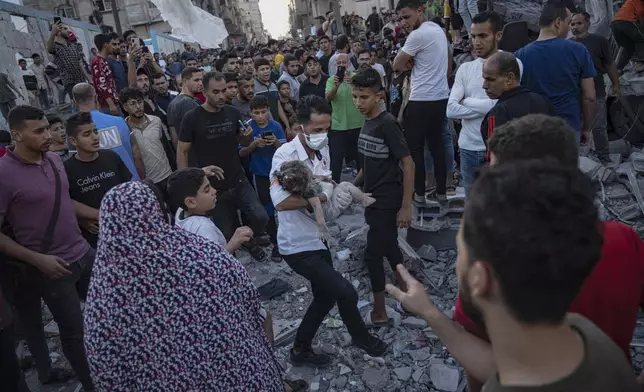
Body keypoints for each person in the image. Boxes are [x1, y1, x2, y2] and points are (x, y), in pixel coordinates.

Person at [388, 157, 640, 392]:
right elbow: (501, 367)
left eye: (461, 247)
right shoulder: (585, 337)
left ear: (479, 277)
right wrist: (430, 312)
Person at [83, 181, 285, 391]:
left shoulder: (104, 303)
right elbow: (257, 313)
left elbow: (106, 375)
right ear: (161, 213)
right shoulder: (207, 256)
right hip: (248, 378)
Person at [270, 95, 387, 365]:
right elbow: (281, 202)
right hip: (297, 245)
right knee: (346, 292)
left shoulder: (323, 149)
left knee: (324, 298)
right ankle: (362, 339)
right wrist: (324, 198)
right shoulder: (284, 156)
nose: (323, 135)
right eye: (316, 130)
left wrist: (337, 199)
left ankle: (300, 350)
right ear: (300, 127)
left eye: (326, 129)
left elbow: (327, 182)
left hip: (318, 239)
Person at [0, 106, 95, 391]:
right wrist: (37, 260)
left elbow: (64, 202)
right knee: (74, 333)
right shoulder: (3, 175)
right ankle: (93, 383)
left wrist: (102, 214)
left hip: (84, 254)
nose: (48, 135)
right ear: (16, 134)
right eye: (38, 131)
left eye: (47, 128)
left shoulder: (54, 160)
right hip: (52, 268)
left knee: (105, 315)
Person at [178, 72, 268, 261]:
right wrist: (186, 181)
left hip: (238, 178)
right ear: (204, 91)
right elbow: (183, 150)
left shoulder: (232, 112)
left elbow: (243, 140)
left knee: (261, 217)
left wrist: (248, 136)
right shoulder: (192, 117)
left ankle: (247, 239)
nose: (221, 96)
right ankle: (238, 252)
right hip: (213, 188)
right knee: (225, 232)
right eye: (216, 92)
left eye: (224, 90)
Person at [351, 68, 414, 326]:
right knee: (388, 244)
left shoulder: (387, 123)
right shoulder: (367, 121)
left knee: (373, 255)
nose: (358, 102)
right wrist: (347, 186)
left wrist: (406, 206)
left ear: (378, 95)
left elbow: (408, 163)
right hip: (371, 197)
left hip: (386, 200)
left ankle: (379, 311)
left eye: (363, 97)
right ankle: (407, 288)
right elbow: (368, 163)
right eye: (354, 96)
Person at [447, 11, 516, 196]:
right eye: (473, 36)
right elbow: (451, 110)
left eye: (483, 36)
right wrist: (491, 106)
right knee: (473, 207)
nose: (476, 42)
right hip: (468, 148)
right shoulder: (465, 68)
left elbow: (508, 107)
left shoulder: (512, 63)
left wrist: (467, 101)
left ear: (498, 36)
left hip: (500, 149)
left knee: (501, 206)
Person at [515, 2, 596, 144]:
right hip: (568, 128)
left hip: (533, 130)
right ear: (558, 22)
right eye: (568, 22)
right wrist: (586, 128)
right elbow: (589, 97)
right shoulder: (578, 50)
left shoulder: (520, 55)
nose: (570, 29)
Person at [394, 0, 450, 203]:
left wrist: (408, 62)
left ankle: (418, 194)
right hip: (440, 97)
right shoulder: (437, 30)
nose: (403, 22)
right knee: (437, 147)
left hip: (420, 100)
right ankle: (442, 192)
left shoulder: (418, 35)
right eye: (400, 18)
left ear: (420, 11)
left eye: (406, 17)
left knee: (414, 149)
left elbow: (396, 65)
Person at [63, 112, 131, 249]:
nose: (95, 138)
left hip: (126, 227)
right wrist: (81, 219)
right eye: (87, 134)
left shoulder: (111, 157)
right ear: (73, 141)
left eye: (95, 131)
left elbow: (127, 187)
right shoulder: (66, 169)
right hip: (98, 238)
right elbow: (66, 202)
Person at [239, 96, 287, 262]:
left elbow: (286, 150)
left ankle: (285, 238)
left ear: (268, 111)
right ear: (251, 113)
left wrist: (275, 143)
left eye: (263, 112)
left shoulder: (276, 126)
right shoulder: (248, 128)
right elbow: (241, 152)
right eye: (256, 113)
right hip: (259, 174)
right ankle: (276, 243)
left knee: (282, 205)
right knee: (267, 208)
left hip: (277, 173)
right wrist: (253, 145)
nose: (260, 116)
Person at [570, 11, 621, 161]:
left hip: (596, 91)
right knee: (575, 127)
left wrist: (616, 84)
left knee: (599, 127)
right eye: (572, 24)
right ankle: (578, 160)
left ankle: (604, 157)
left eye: (579, 23)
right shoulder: (567, 45)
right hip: (573, 93)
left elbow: (610, 64)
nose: (575, 27)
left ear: (588, 24)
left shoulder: (599, 41)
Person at [480, 52, 555, 152]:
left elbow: (494, 157)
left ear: (509, 78)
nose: (484, 85)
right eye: (485, 79)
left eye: (491, 79)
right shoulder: (543, 102)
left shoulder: (499, 112)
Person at [121, 87, 173, 192]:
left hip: (167, 175)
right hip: (147, 182)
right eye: (133, 104)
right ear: (125, 107)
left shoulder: (156, 121)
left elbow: (167, 148)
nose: (138, 107)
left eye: (140, 102)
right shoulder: (124, 128)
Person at [325, 53, 364, 183]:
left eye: (344, 62)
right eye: (339, 63)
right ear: (335, 65)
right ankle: (334, 186)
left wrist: (352, 83)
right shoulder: (331, 80)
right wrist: (337, 85)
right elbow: (328, 98)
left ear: (349, 63)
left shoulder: (357, 78)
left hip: (358, 124)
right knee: (336, 159)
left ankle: (363, 186)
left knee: (361, 158)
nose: (342, 65)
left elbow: (363, 95)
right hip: (338, 125)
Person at [47, 21, 89, 101]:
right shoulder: (56, 47)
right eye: (65, 29)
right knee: (78, 103)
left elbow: (80, 63)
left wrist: (88, 77)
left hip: (80, 79)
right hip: (69, 81)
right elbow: (49, 49)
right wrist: (52, 33)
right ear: (58, 32)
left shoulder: (72, 45)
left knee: (86, 101)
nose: (68, 31)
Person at [167, 66, 203, 142]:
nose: (200, 83)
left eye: (201, 80)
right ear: (185, 81)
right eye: (196, 80)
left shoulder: (172, 103)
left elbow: (174, 136)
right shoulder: (187, 102)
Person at [255, 58, 290, 133]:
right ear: (256, 72)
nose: (265, 71)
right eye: (262, 69)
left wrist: (287, 126)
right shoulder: (253, 87)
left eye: (267, 68)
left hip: (276, 125)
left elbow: (278, 106)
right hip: (261, 128)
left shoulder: (274, 86)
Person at [91, 33, 120, 116]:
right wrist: (111, 104)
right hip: (108, 105)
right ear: (106, 45)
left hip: (113, 102)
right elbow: (101, 85)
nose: (114, 47)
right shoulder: (98, 62)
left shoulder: (104, 60)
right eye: (112, 44)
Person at [611, 0, 644, 71]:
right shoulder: (638, 1)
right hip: (626, 21)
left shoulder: (629, 3)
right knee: (641, 38)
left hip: (614, 24)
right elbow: (640, 13)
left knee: (627, 48)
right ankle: (641, 62)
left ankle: (618, 69)